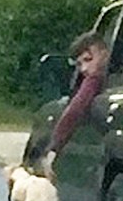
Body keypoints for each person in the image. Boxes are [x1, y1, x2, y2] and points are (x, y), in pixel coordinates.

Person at [40, 31, 110, 170]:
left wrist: (54, 148)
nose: (84, 68)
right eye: (79, 64)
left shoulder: (94, 80)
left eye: (88, 59)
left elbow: (75, 109)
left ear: (105, 54)